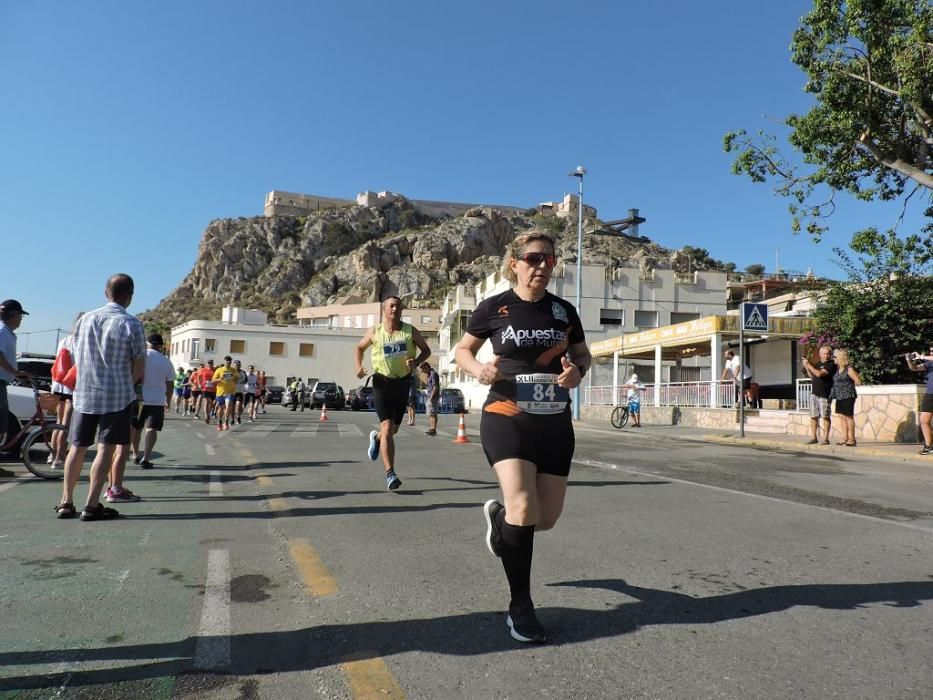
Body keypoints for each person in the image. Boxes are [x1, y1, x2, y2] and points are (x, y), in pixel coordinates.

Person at [453, 230, 590, 644]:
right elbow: (462, 351)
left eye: (549, 259)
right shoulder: (494, 306)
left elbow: (583, 354)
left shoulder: (564, 311)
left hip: (553, 422)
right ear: (515, 262)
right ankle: (520, 606)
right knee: (524, 506)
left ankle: (499, 520)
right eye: (534, 258)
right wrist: (479, 371)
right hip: (505, 414)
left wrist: (577, 372)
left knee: (543, 519)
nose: (543, 266)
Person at [56, 274, 146, 521]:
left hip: (84, 393)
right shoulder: (132, 324)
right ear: (130, 296)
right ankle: (92, 504)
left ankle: (66, 501)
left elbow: (76, 356)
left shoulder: (85, 320)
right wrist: (127, 381)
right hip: (117, 396)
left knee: (77, 447)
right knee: (105, 448)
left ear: (106, 292)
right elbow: (138, 368)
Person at [354, 295, 431, 490]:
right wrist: (358, 367)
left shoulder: (409, 331)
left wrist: (416, 362)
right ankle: (391, 474)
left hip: (403, 384)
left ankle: (377, 438)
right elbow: (359, 347)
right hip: (381, 383)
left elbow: (426, 350)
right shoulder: (375, 331)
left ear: (402, 309)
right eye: (391, 306)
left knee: (393, 430)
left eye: (398, 306)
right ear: (384, 310)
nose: (395, 309)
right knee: (387, 427)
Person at [122, 333, 176, 474]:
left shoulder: (140, 356)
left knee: (136, 428)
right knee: (151, 429)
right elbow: (170, 384)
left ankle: (135, 454)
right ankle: (145, 458)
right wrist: (168, 401)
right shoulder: (166, 361)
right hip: (157, 401)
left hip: (138, 399)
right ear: (160, 345)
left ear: (148, 343)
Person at [49, 311, 83, 468]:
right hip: (71, 387)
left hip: (58, 385)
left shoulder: (64, 340)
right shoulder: (81, 342)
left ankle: (52, 454)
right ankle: (59, 457)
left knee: (58, 423)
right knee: (65, 425)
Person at [0, 300, 31, 447]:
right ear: (14, 315)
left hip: (2, 382)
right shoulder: (2, 332)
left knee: (2, 426)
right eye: (20, 316)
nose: (20, 320)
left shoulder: (6, 332)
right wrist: (15, 372)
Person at [802, 345, 836, 445]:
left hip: (824, 394)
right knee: (813, 416)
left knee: (825, 416)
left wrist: (809, 365)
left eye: (828, 354)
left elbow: (819, 374)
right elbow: (813, 376)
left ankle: (825, 439)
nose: (826, 356)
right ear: (820, 354)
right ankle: (813, 437)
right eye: (824, 354)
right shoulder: (818, 363)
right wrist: (807, 368)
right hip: (814, 393)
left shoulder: (831, 365)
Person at [829, 348, 862, 447]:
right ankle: (844, 438)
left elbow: (858, 381)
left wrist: (848, 386)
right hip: (839, 396)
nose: (833, 359)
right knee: (842, 417)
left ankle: (852, 439)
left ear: (840, 358)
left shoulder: (849, 369)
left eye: (834, 357)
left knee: (848, 417)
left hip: (848, 396)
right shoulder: (838, 369)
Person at [906, 346, 933, 455]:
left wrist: (921, 356)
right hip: (930, 394)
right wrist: (909, 360)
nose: (931, 352)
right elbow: (914, 368)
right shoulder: (929, 363)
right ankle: (929, 446)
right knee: (924, 420)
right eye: (931, 350)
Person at [212, 355, 237, 431]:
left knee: (228, 405)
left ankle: (226, 422)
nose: (228, 362)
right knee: (221, 408)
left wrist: (234, 379)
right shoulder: (219, 370)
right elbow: (213, 380)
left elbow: (236, 379)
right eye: (227, 360)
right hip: (221, 392)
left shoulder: (233, 370)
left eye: (229, 360)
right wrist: (220, 379)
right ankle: (219, 422)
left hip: (230, 391)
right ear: (225, 361)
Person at [421, 361, 440, 435]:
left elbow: (435, 386)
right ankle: (431, 428)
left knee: (433, 413)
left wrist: (431, 397)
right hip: (429, 396)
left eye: (423, 370)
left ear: (426, 367)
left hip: (433, 397)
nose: (423, 372)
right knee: (430, 413)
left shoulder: (433, 374)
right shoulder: (429, 374)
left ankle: (433, 429)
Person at [232, 359, 248, 424]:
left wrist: (241, 381)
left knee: (238, 405)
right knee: (232, 407)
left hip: (239, 391)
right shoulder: (231, 371)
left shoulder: (243, 372)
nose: (237, 366)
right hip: (232, 391)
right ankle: (232, 419)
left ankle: (238, 417)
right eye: (236, 365)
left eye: (238, 365)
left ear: (240, 365)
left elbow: (246, 380)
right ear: (234, 365)